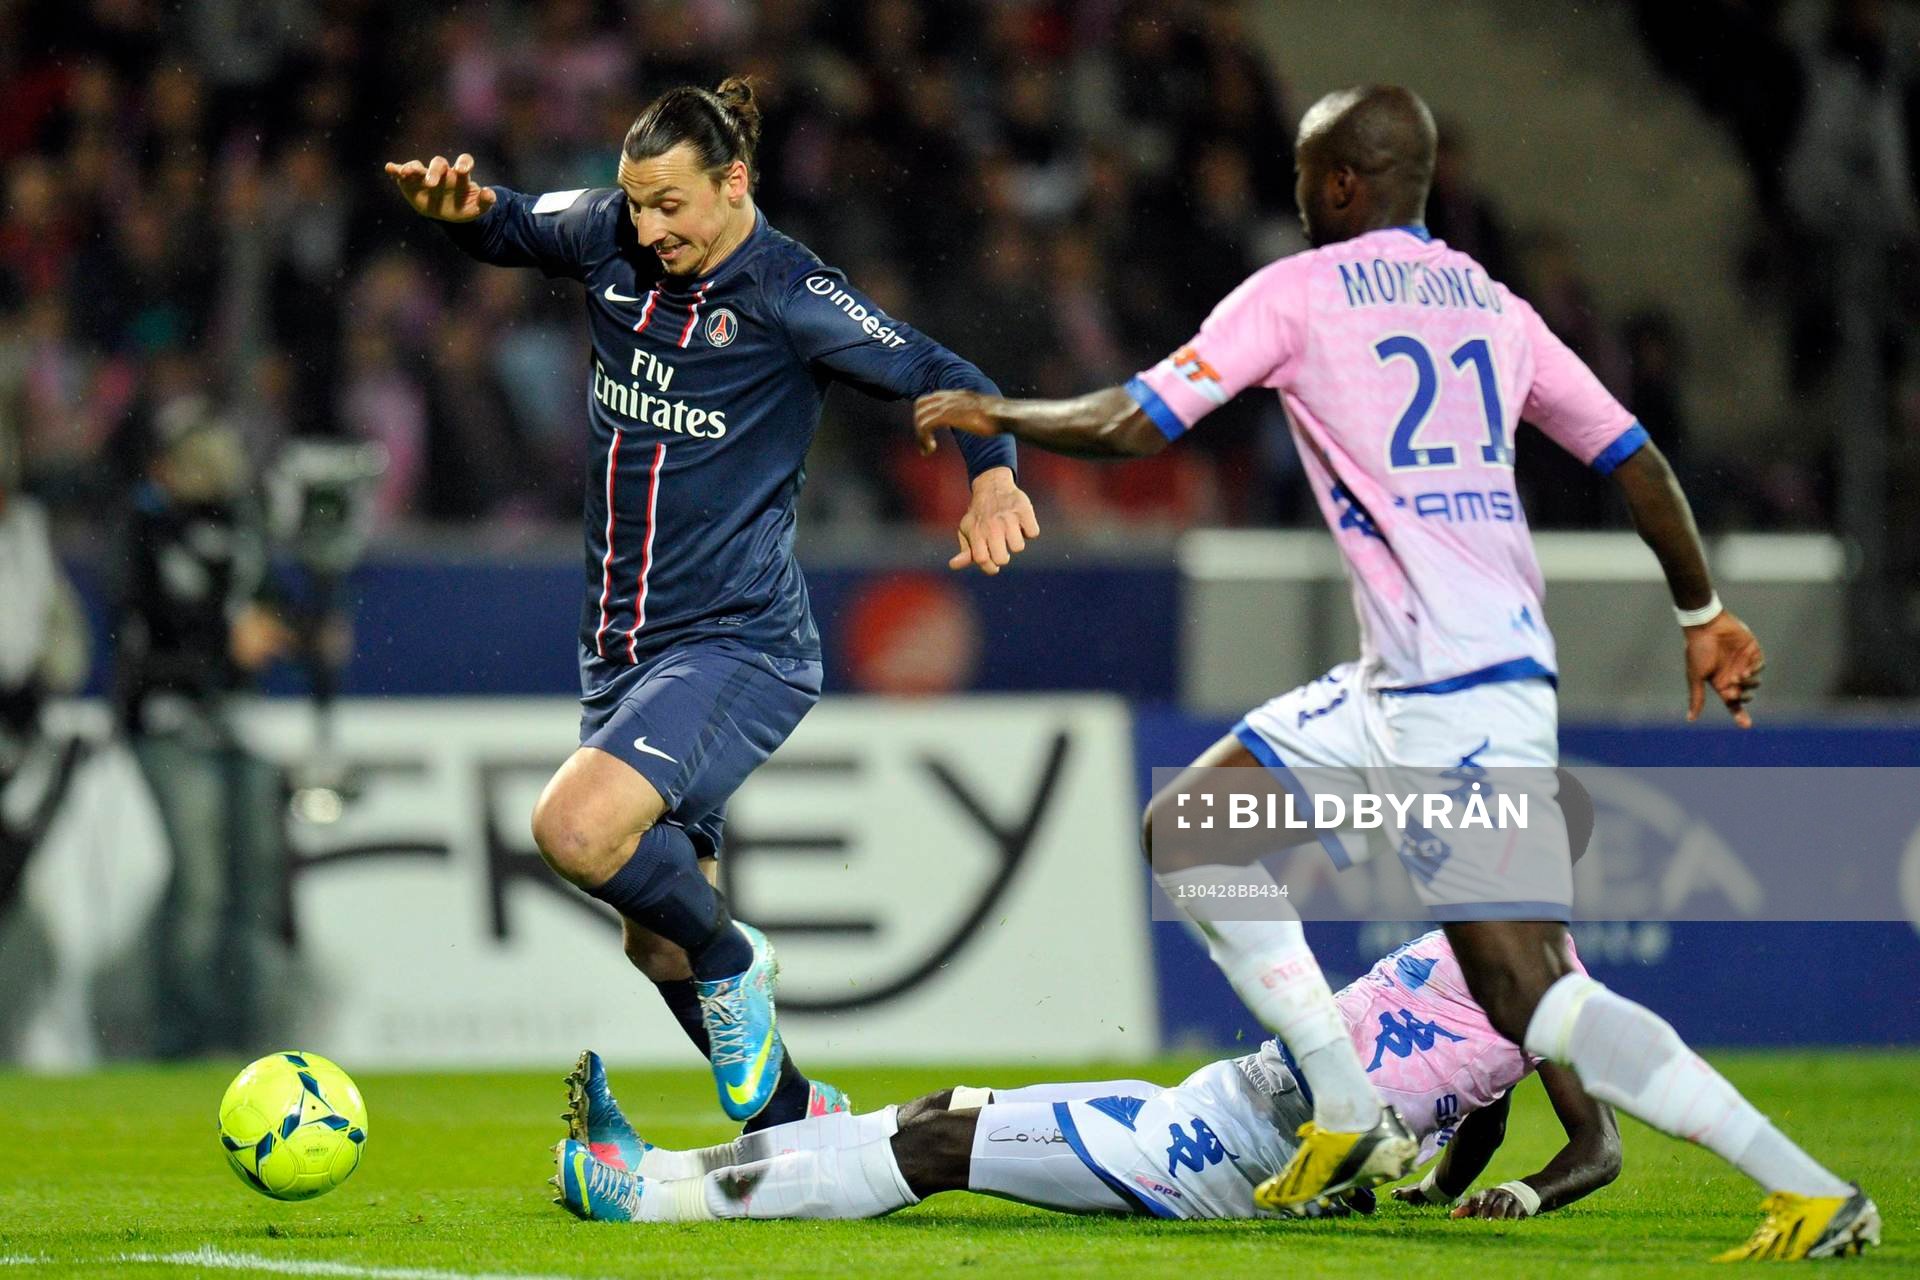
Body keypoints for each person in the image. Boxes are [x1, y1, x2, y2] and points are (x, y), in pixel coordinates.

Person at [911, 85, 1877, 1261]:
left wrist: (993, 409)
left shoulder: (1299, 290)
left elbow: (1133, 421)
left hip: (1451, 696)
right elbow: (1633, 456)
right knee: (1192, 827)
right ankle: (1347, 1103)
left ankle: (1808, 1184)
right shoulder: (1495, 305)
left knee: (1529, 998)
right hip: (1435, 674)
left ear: (1342, 185)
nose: (1300, 194)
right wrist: (1704, 611)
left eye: (1308, 173)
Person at [382, 77, 1038, 1131]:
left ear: (734, 184)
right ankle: (793, 1116)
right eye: (636, 202)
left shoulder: (790, 293)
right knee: (653, 935)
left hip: (739, 642)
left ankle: (739, 958)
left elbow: (937, 368)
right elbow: (511, 223)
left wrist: (994, 472)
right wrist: (460, 215)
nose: (648, 226)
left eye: (671, 204)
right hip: (621, 649)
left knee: (575, 829)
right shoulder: (609, 233)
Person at [547, 928, 1618, 1224]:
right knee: (944, 1107)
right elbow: (1484, 1100)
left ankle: (645, 1203)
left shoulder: (1553, 991)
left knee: (939, 1146)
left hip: (1230, 1162)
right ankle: (669, 1164)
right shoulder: (1473, 941)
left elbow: (1597, 1142)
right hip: (1215, 1099)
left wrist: (1524, 1189)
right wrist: (1439, 1182)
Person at [114, 396, 294, 1058]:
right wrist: (223, 642)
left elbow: (271, 607)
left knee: (255, 883)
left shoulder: (241, 524)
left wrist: (299, 632)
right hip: (169, 719)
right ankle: (180, 1040)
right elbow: (139, 630)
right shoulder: (143, 526)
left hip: (240, 722)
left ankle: (248, 1039)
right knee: (200, 882)